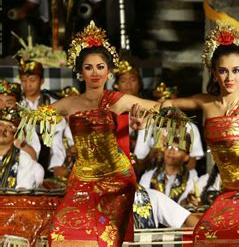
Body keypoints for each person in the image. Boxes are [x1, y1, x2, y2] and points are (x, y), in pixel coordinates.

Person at [134, 23, 239, 246]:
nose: (229, 77)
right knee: (203, 236)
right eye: (223, 71)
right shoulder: (206, 103)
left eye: (236, 70)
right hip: (229, 192)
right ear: (214, 74)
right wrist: (145, 116)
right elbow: (167, 104)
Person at [16, 21, 162, 246]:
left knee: (104, 238)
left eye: (100, 67)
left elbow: (158, 108)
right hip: (83, 177)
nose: (95, 73)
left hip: (115, 178)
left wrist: (148, 118)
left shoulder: (117, 100)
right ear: (80, 72)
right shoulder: (69, 103)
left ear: (108, 71)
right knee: (61, 233)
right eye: (89, 67)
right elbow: (31, 116)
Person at [139, 134, 198, 205]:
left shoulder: (191, 177)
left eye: (178, 149)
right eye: (169, 147)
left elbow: (188, 202)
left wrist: (188, 200)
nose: (171, 151)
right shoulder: (148, 176)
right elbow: (141, 203)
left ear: (186, 157)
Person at [0, 107, 44, 189]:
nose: (3, 129)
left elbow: (22, 194)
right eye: (0, 124)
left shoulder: (24, 160)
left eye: (10, 127)